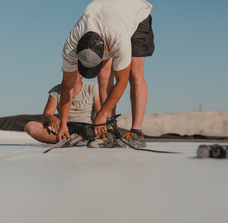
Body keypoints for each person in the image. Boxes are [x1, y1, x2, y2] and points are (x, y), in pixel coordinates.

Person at [58, 0, 155, 148]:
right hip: (105, 18)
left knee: (134, 72)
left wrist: (101, 114)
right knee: (103, 74)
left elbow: (121, 82)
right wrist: (62, 124)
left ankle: (137, 132)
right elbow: (66, 85)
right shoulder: (71, 43)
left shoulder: (117, 38)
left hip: (136, 13)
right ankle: (109, 129)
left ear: (106, 47)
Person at [24, 74, 101, 144]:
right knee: (30, 126)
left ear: (81, 74)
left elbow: (99, 115)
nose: (69, 74)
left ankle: (79, 139)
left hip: (87, 128)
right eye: (67, 71)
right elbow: (46, 115)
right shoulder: (56, 90)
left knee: (100, 126)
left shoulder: (93, 88)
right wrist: (51, 118)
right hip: (65, 128)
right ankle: (67, 139)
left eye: (73, 71)